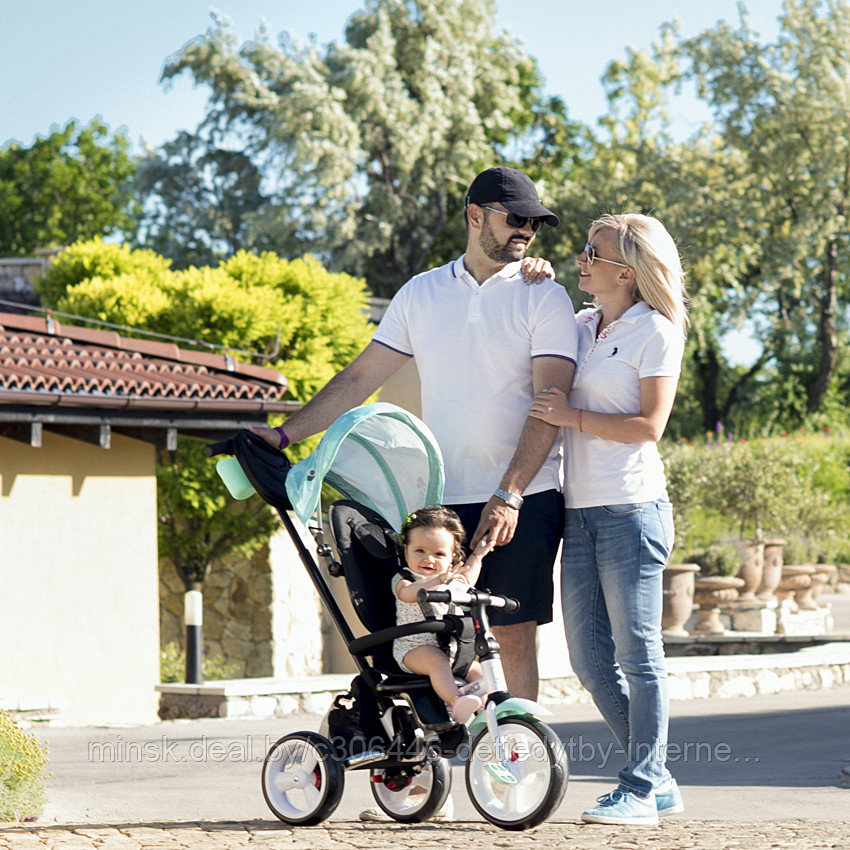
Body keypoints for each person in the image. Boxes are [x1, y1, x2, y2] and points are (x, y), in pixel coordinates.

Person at [250, 166, 577, 702]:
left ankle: (519, 765)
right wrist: (285, 436)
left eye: (534, 224)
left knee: (513, 637)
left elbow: (549, 404)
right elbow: (359, 377)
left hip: (525, 496)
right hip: (442, 504)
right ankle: (455, 750)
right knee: (441, 641)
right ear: (475, 216)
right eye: (516, 219)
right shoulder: (420, 295)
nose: (526, 231)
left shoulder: (545, 296)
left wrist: (509, 492)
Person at [529, 213, 689, 826]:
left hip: (632, 511)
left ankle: (641, 789)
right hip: (581, 513)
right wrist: (532, 274)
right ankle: (659, 779)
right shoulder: (579, 326)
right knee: (590, 662)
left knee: (638, 655)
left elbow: (649, 427)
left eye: (592, 253)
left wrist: (569, 417)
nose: (580, 260)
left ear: (627, 272)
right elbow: (531, 322)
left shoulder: (655, 331)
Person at [392, 506, 495, 723]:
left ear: (451, 560)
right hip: (413, 649)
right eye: (420, 551)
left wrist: (478, 554)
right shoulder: (406, 579)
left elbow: (467, 579)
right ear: (406, 550)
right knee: (437, 662)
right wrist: (439, 580)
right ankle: (456, 701)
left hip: (451, 650)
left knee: (479, 671)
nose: (428, 559)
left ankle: (486, 709)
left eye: (439, 554)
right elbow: (408, 594)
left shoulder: (451, 582)